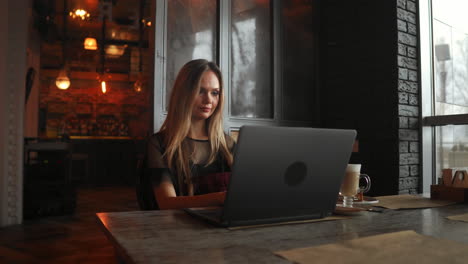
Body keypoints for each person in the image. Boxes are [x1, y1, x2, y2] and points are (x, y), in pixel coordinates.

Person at [146, 59, 235, 210]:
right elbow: (167, 203)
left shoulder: (227, 144)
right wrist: (221, 198)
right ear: (183, 94)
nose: (208, 100)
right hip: (178, 230)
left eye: (215, 93)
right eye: (200, 91)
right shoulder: (159, 144)